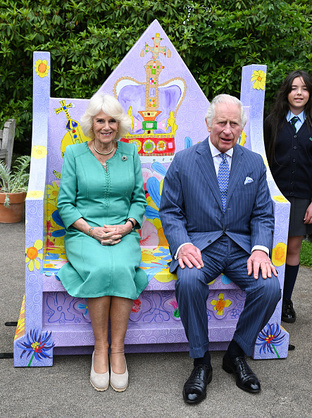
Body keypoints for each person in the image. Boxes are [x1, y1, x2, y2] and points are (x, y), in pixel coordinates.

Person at [159, 94, 281, 405]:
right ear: (209, 123)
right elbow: (171, 210)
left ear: (241, 127)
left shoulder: (254, 163)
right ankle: (201, 362)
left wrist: (259, 250)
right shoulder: (185, 160)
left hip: (242, 247)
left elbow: (263, 214)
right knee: (188, 281)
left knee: (269, 287)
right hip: (201, 246)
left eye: (234, 124)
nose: (228, 130)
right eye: (222, 123)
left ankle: (235, 354)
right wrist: (183, 244)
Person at [57, 93, 148, 392]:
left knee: (121, 267)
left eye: (112, 120)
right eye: (100, 120)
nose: (106, 127)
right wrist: (92, 231)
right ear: (91, 124)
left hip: (123, 231)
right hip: (84, 233)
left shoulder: (130, 153)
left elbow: (138, 200)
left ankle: (118, 351)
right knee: (99, 268)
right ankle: (100, 347)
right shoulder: (74, 155)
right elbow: (66, 204)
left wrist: (125, 227)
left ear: (119, 125)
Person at [264, 70, 312, 323]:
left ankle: (285, 301)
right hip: (273, 196)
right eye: (294, 88)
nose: (299, 93)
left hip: (303, 197)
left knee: (292, 248)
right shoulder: (272, 122)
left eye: (304, 88)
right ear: (287, 91)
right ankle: (266, 299)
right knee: (270, 247)